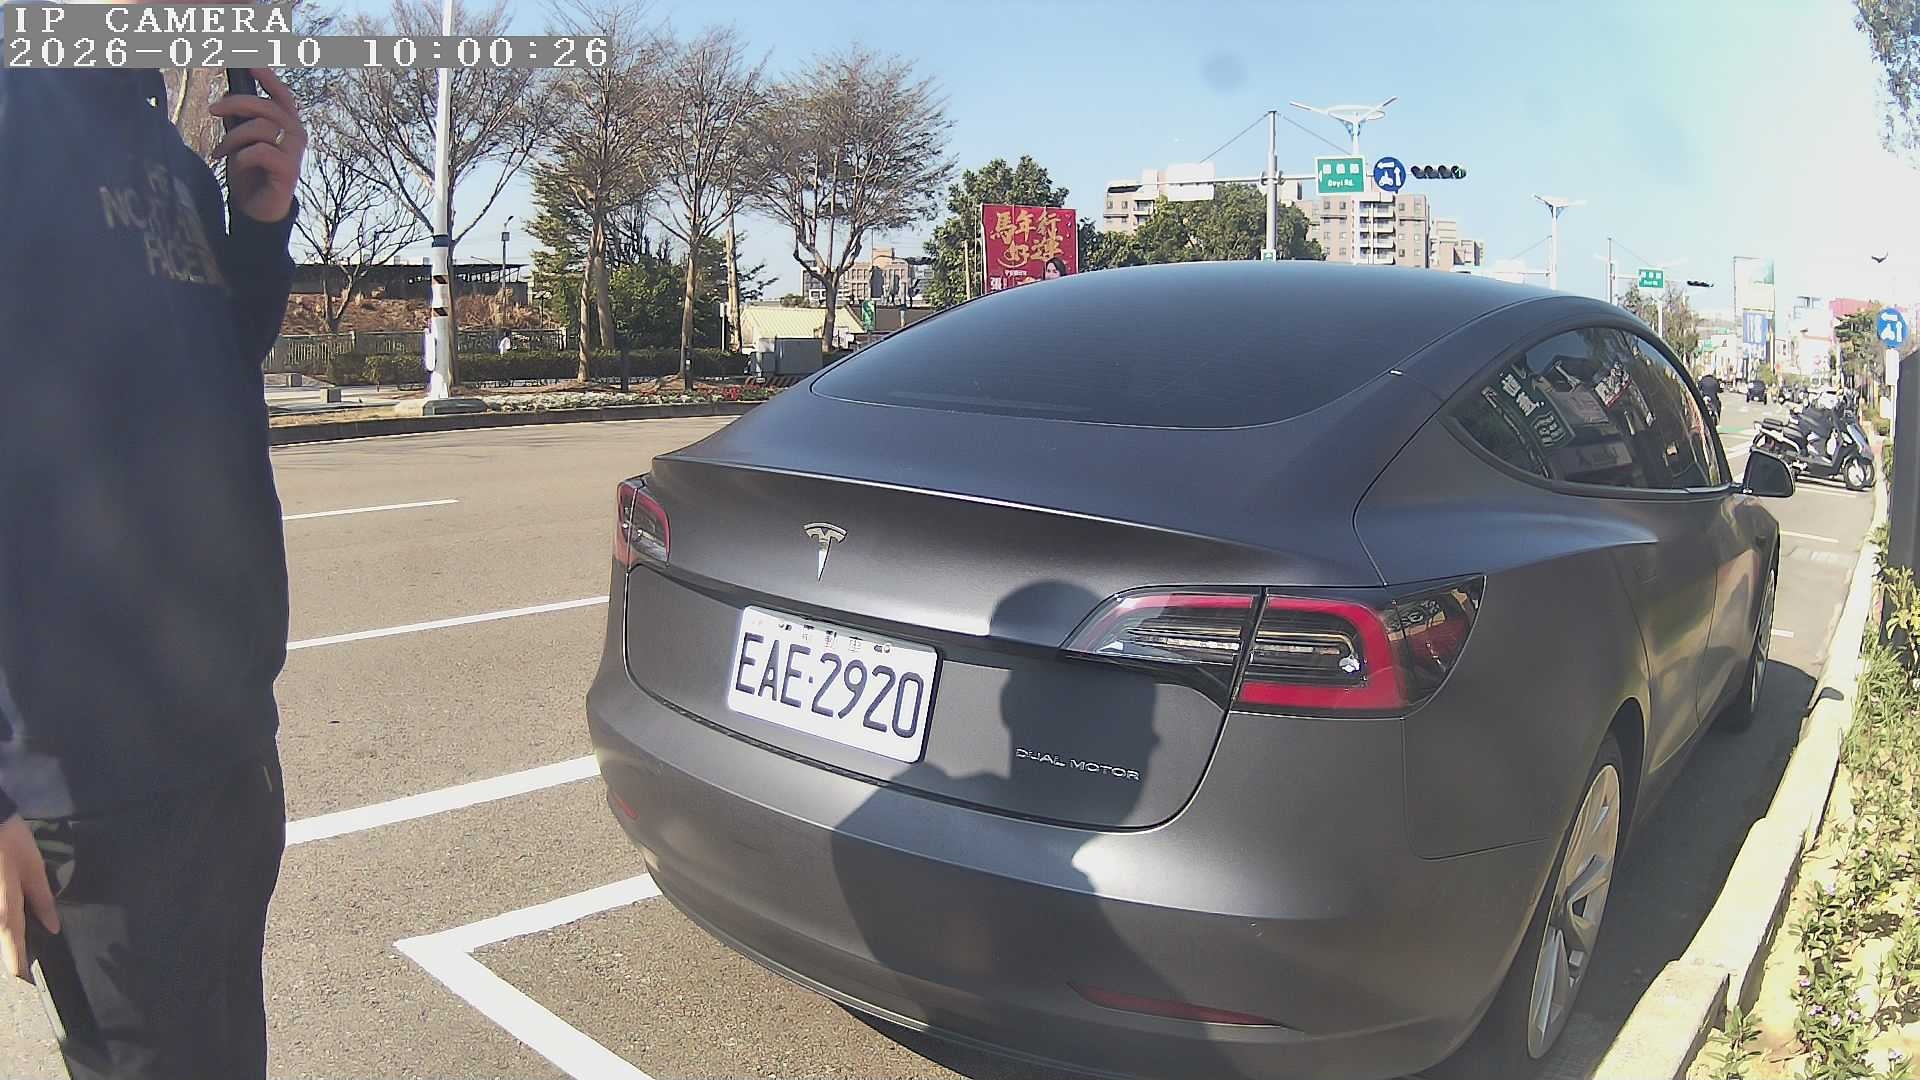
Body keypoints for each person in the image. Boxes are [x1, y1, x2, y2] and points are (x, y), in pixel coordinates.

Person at [0, 56, 306, 1080]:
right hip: (93, 784)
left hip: (225, 749)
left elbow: (206, 370)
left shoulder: (165, 150)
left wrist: (259, 225)